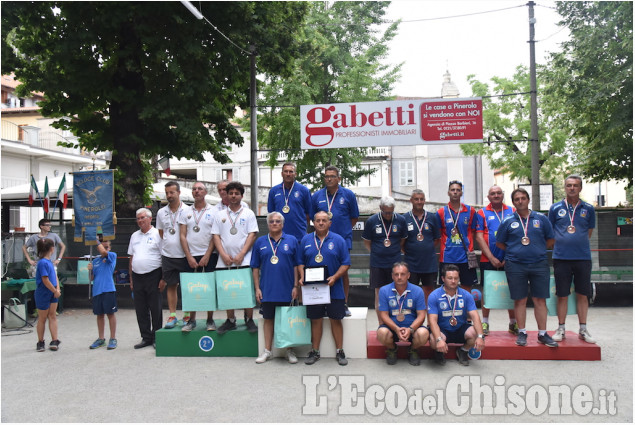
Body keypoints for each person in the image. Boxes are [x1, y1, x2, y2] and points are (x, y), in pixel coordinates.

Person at [496, 188, 557, 348]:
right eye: (517, 199)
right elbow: (500, 243)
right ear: (513, 202)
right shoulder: (508, 221)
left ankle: (543, 334)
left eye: (523, 198)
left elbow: (550, 240)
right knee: (520, 299)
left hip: (539, 264)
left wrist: (536, 249)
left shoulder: (541, 219)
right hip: (515, 265)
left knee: (540, 299)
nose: (520, 201)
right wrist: (516, 251)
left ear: (528, 200)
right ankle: (522, 332)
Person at [298, 211, 350, 366]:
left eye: (324, 220)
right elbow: (300, 262)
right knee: (316, 320)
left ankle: (340, 351)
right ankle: (315, 351)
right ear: (313, 222)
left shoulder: (339, 240)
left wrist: (335, 277)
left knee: (336, 319)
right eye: (318, 220)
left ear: (330, 223)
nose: (321, 223)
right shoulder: (306, 240)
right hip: (313, 289)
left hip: (334, 287)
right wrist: (302, 277)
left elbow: (346, 263)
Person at [548, 175, 596, 343]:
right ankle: (561, 328)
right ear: (565, 187)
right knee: (562, 294)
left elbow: (588, 232)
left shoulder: (588, 208)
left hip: (582, 257)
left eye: (575, 185)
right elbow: (550, 232)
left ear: (580, 188)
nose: (572, 188)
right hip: (561, 258)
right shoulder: (555, 208)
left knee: (583, 294)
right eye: (569, 185)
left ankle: (583, 328)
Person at [251, 212, 300, 364]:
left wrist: (296, 285)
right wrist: (257, 289)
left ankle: (289, 350)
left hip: (287, 289)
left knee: (288, 320)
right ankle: (267, 351)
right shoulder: (260, 242)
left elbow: (296, 265)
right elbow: (255, 268)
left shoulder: (291, 240)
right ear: (267, 224)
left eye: (277, 221)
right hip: (267, 289)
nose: (274, 223)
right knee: (268, 319)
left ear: (282, 224)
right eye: (271, 221)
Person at [311, 165, 359, 316]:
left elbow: (354, 217)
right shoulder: (317, 196)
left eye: (332, 176)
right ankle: (322, 303)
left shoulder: (348, 194)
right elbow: (313, 218)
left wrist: (340, 235)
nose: (329, 179)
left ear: (339, 178)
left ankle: (343, 303)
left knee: (342, 272)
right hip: (320, 241)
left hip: (342, 240)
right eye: (326, 176)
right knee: (321, 270)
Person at [212, 181, 259, 334]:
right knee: (228, 291)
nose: (233, 196)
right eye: (230, 193)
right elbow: (216, 237)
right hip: (224, 260)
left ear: (241, 195)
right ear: (226, 194)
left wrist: (241, 254)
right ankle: (230, 320)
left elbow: (252, 235)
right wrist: (224, 255)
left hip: (244, 259)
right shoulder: (220, 215)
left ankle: (249, 319)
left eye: (236, 193)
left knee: (246, 290)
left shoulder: (248, 213)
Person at [475, 185, 518, 335]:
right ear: (488, 197)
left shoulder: (512, 211)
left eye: (499, 193)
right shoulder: (481, 213)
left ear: (503, 195)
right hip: (488, 259)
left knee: (511, 289)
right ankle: (485, 322)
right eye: (493, 193)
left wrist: (507, 257)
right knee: (487, 291)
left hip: (510, 259)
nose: (496, 195)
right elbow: (479, 237)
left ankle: (513, 323)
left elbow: (516, 236)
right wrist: (491, 257)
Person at [428, 265, 485, 366]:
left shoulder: (466, 295)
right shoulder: (434, 295)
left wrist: (480, 336)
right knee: (433, 339)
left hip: (460, 328)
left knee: (475, 333)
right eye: (450, 278)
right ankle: (438, 352)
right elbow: (432, 321)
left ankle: (463, 350)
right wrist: (439, 339)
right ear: (443, 279)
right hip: (442, 330)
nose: (453, 281)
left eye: (456, 278)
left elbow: (475, 316)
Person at [362, 196, 407, 323]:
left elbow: (402, 240)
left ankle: (396, 323)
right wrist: (377, 252)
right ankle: (382, 324)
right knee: (380, 294)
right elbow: (367, 242)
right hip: (378, 263)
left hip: (395, 264)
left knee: (397, 292)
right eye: (386, 212)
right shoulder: (372, 221)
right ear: (380, 208)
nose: (388, 215)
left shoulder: (401, 220)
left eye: (391, 212)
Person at [179, 182, 216, 332]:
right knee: (191, 289)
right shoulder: (185, 211)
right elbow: (182, 235)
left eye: (200, 189)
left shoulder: (213, 211)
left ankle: (210, 320)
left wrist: (207, 255)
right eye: (194, 189)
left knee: (209, 289)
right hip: (190, 255)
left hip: (209, 255)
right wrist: (188, 256)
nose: (196, 191)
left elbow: (215, 235)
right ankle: (191, 320)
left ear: (205, 192)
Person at [376, 262, 430, 366]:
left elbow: (422, 315)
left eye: (402, 274)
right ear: (392, 276)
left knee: (424, 334)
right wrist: (396, 329)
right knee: (381, 333)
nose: (399, 277)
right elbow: (383, 315)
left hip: (412, 329)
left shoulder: (418, 290)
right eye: (396, 274)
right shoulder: (384, 290)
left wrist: (410, 329)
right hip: (392, 329)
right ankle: (392, 349)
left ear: (408, 275)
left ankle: (413, 349)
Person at [128, 208, 164, 349]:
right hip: (137, 276)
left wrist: (163, 278)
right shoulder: (134, 236)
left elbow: (164, 256)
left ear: (150, 218)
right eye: (138, 218)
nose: (140, 220)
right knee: (140, 309)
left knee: (155, 308)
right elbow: (131, 257)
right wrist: (131, 278)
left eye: (143, 217)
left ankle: (156, 337)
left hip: (154, 274)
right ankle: (146, 337)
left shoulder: (157, 234)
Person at [156, 181, 188, 329]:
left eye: (172, 192)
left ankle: (187, 315)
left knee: (187, 286)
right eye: (167, 192)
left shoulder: (187, 210)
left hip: (185, 255)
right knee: (171, 285)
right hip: (168, 255)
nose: (169, 195)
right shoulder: (161, 212)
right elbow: (161, 234)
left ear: (179, 193)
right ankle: (173, 315)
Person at [436, 180, 478, 288]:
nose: (455, 192)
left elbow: (472, 232)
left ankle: (465, 306)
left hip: (465, 257)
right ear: (448, 193)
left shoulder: (470, 211)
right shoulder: (441, 212)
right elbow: (439, 233)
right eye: (452, 190)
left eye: (458, 190)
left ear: (461, 193)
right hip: (447, 257)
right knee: (446, 288)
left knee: (466, 287)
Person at [402, 189, 441, 302]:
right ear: (411, 200)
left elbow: (436, 239)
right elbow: (401, 242)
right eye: (416, 199)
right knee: (410, 292)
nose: (419, 201)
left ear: (424, 201)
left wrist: (426, 248)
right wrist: (411, 251)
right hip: (411, 263)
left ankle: (430, 319)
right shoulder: (404, 218)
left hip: (429, 263)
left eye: (421, 199)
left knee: (429, 291)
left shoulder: (432, 217)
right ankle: (413, 319)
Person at [267, 162, 311, 243]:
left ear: (295, 174)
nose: (288, 174)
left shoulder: (304, 190)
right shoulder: (274, 191)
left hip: (299, 237)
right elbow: (271, 214)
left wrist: (302, 228)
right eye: (286, 171)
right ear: (281, 173)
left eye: (291, 171)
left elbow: (308, 214)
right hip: (278, 237)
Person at [87, 235, 118, 350]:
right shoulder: (95, 261)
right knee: (99, 315)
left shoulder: (112, 256)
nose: (105, 249)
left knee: (110, 314)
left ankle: (113, 338)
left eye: (107, 247)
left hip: (108, 289)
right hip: (97, 291)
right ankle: (101, 339)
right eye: (103, 246)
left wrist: (95, 239)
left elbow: (104, 253)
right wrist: (90, 270)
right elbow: (91, 278)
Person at [34, 238, 62, 352]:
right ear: (52, 248)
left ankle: (54, 340)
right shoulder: (42, 263)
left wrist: (58, 288)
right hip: (44, 293)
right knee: (42, 318)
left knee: (52, 316)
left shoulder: (49, 262)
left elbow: (54, 276)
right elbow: (45, 280)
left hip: (53, 292)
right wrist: (55, 291)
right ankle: (40, 342)